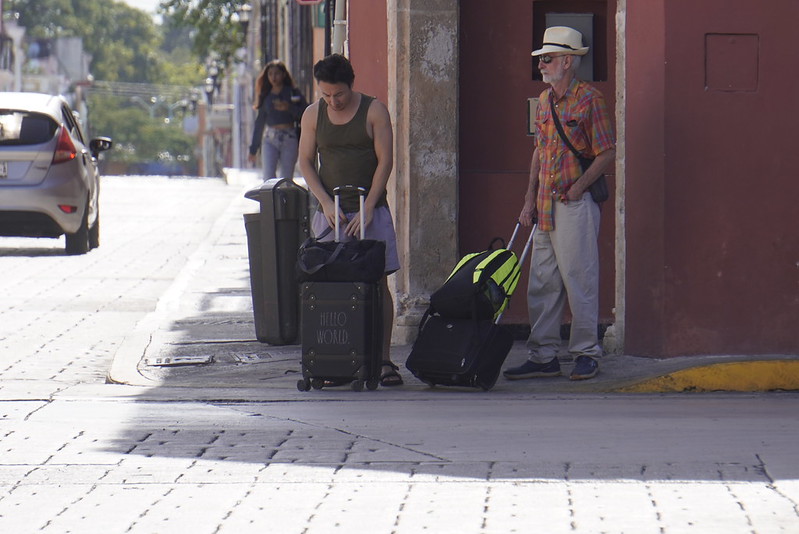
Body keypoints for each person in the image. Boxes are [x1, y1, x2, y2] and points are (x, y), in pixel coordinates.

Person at [503, 26, 616, 381]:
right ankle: (543, 354)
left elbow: (607, 152)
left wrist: (580, 188)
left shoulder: (590, 100)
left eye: (547, 59)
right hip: (546, 206)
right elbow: (540, 151)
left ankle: (585, 352)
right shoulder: (546, 100)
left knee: (579, 279)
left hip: (573, 205)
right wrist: (528, 199)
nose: (541, 65)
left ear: (568, 61)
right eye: (541, 59)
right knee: (542, 282)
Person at [297, 54, 403, 387]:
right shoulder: (313, 115)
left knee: (378, 282)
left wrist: (371, 204)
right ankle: (335, 358)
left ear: (350, 85)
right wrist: (325, 202)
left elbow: (385, 161)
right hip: (331, 213)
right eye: (326, 95)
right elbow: (305, 162)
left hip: (368, 209)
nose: (333, 101)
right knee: (329, 283)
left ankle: (383, 359)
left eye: (338, 95)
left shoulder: (374, 110)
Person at [248, 60, 308, 180]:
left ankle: (284, 199)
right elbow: (259, 122)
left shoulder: (292, 92)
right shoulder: (266, 96)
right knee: (268, 176)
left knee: (286, 178)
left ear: (283, 74)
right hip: (270, 138)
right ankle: (271, 199)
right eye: (270, 74)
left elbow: (305, 113)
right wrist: (253, 149)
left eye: (277, 73)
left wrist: (289, 108)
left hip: (289, 136)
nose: (273, 77)